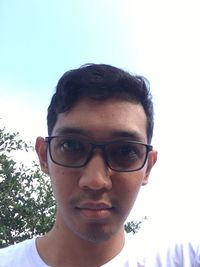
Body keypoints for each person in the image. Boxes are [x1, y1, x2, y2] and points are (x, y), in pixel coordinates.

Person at [0, 64, 199, 267]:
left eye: (125, 151)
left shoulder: (184, 259)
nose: (95, 180)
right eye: (71, 145)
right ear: (44, 156)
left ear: (147, 167)